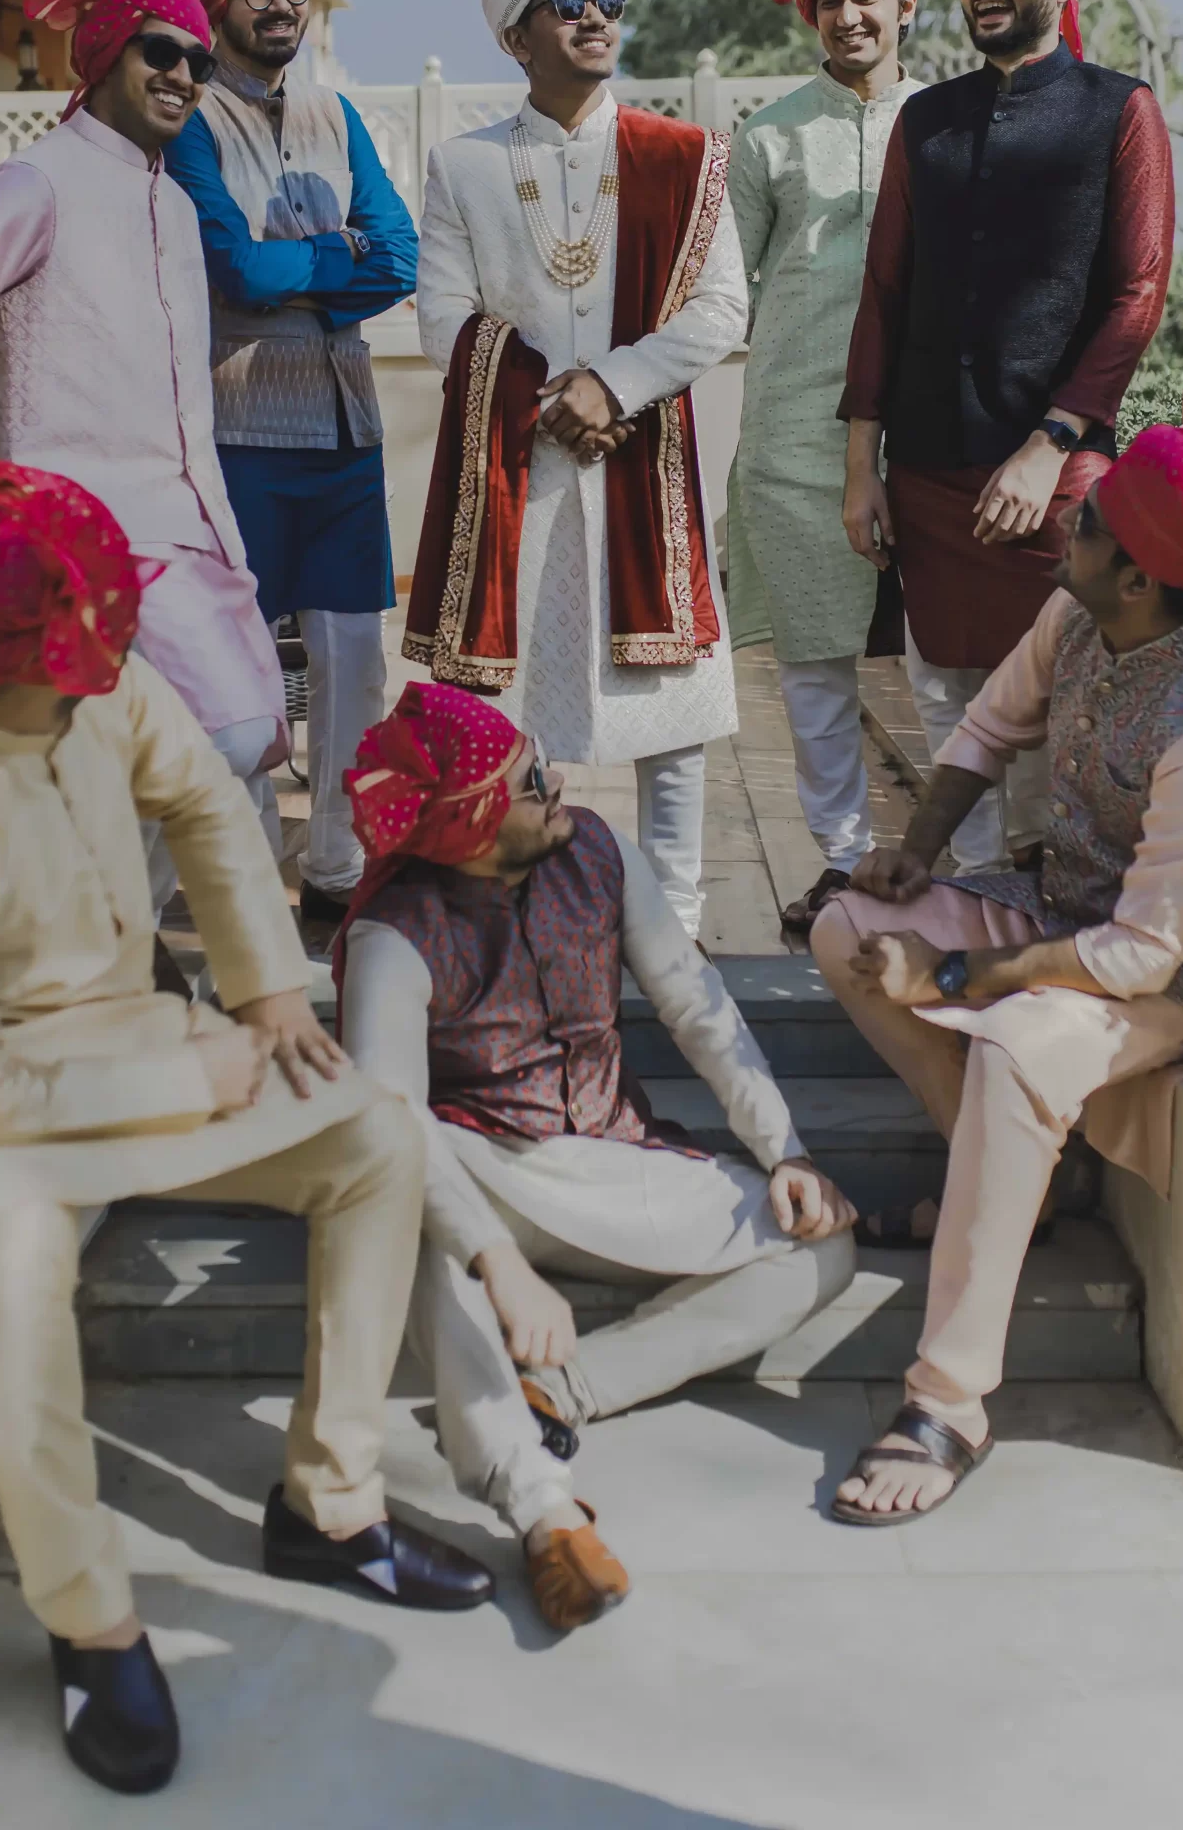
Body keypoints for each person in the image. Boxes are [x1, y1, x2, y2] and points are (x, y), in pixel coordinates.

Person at [0, 465, 494, 1795]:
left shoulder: (99, 691)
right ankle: (91, 1620)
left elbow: (200, 798)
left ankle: (334, 1502)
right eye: (84, 639)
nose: (113, 656)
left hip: (144, 1041)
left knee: (373, 1138)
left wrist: (258, 990)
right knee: (13, 1276)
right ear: (4, 651)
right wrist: (201, 1070)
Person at [810, 391, 1183, 1524]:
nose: (1074, 516)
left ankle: (950, 1402)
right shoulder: (1079, 617)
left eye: (1092, 516)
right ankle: (1003, 1178)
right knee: (849, 929)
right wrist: (908, 859)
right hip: (1065, 906)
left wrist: (958, 978)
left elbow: (1146, 952)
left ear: (1141, 580)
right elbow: (988, 728)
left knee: (1013, 1041)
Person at [334, 682, 857, 1626]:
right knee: (399, 1198)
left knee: (822, 1250)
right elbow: (392, 1122)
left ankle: (564, 1388)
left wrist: (786, 1150)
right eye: (533, 781)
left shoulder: (600, 855)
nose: (560, 783)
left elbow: (698, 1006)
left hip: (617, 1160)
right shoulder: (393, 935)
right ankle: (541, 1512)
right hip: (483, 1175)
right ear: (476, 830)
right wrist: (492, 1259)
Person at [0, 0, 291, 898]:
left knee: (249, 747)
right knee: (214, 735)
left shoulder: (177, 207)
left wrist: (228, 545)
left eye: (197, 56)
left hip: (193, 539)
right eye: (160, 51)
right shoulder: (37, 179)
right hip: (78, 542)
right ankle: (104, 954)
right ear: (100, 57)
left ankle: (166, 972)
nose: (185, 72)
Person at [408, 0, 746, 937]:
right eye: (567, 4)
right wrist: (558, 395)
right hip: (521, 474)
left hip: (646, 467)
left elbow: (724, 304)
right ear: (516, 37)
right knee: (527, 705)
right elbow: (441, 318)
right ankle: (531, 911)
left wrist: (619, 385)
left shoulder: (682, 158)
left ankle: (679, 927)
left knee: (670, 714)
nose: (597, 18)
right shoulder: (465, 165)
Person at [840, 0, 1174, 873]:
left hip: (1060, 475)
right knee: (947, 693)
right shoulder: (924, 121)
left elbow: (1137, 295)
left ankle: (1063, 911)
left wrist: (1049, 446)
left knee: (1067, 693)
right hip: (932, 470)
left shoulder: (1121, 111)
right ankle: (976, 903)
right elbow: (885, 297)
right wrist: (863, 466)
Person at [148, 0, 417, 942]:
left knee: (356, 654)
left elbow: (396, 255)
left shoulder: (337, 117)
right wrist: (335, 258)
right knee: (248, 664)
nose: (278, 5)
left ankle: (341, 868)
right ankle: (253, 871)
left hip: (346, 426)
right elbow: (234, 269)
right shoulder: (188, 121)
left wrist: (309, 275)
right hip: (243, 425)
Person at [726, 0, 920, 937]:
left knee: (945, 666)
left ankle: (963, 869)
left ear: (907, 4)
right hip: (798, 427)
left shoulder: (943, 125)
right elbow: (721, 288)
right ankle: (845, 864)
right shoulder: (768, 137)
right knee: (814, 666)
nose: (847, 16)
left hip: (932, 431)